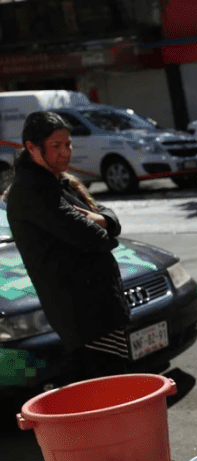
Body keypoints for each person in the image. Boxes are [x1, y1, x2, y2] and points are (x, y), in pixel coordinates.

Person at [5, 111, 131, 382]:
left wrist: (103, 220)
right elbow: (95, 238)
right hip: (85, 316)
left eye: (68, 144)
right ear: (31, 147)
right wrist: (104, 226)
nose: (65, 152)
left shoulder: (56, 180)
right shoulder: (33, 190)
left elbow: (103, 214)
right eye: (56, 146)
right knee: (107, 387)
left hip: (98, 310)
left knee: (114, 384)